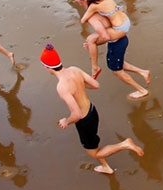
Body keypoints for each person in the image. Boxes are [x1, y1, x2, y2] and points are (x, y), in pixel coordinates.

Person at [39, 44, 144, 174]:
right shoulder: (74, 70)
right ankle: (106, 167)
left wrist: (66, 121)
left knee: (94, 153)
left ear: (47, 67)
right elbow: (95, 85)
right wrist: (79, 86)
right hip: (92, 110)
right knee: (94, 144)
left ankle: (124, 144)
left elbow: (76, 114)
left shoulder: (62, 87)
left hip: (84, 120)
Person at [74, 0, 151, 97]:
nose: (75, 0)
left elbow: (102, 35)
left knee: (116, 70)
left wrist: (94, 43)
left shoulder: (93, 9)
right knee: (117, 63)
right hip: (124, 24)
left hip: (119, 35)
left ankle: (142, 90)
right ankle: (143, 72)